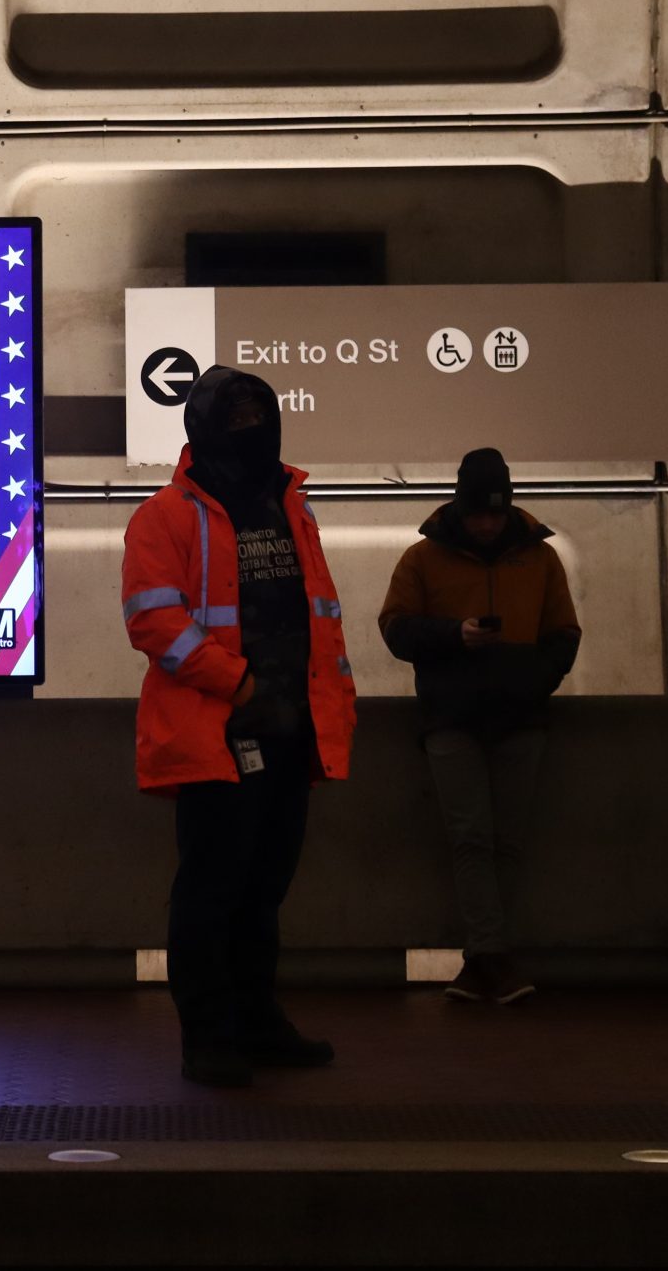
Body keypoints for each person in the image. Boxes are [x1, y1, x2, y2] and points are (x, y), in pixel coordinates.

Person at [121, 366, 358, 1087]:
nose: (251, 423)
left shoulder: (294, 506)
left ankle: (258, 1023)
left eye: (260, 409)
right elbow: (153, 619)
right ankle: (209, 1037)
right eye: (237, 412)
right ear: (201, 424)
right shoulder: (165, 513)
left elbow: (316, 614)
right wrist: (237, 680)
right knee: (212, 891)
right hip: (214, 733)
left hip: (291, 729)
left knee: (263, 890)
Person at [377, 447, 581, 1006]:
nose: (486, 524)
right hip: (453, 718)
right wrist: (454, 636)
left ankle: (483, 960)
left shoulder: (541, 560)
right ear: (460, 509)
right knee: (472, 835)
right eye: (477, 514)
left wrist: (526, 684)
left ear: (508, 506)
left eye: (494, 513)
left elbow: (564, 634)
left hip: (519, 718)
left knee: (505, 840)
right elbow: (395, 629)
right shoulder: (423, 560)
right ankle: (493, 956)